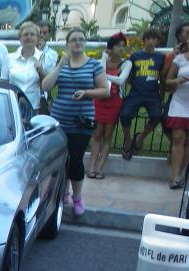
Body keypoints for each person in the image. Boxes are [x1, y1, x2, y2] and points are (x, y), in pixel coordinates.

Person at [42, 28, 109, 216]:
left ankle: (77, 197)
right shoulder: (62, 63)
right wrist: (60, 65)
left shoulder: (93, 65)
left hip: (81, 121)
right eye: (73, 40)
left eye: (81, 39)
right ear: (67, 44)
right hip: (59, 120)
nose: (77, 43)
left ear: (85, 42)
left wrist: (86, 93)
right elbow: (45, 86)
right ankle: (63, 192)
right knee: (61, 159)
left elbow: (105, 90)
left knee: (76, 159)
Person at [88, 33, 132, 179]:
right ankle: (91, 168)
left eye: (122, 46)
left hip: (114, 103)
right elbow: (97, 76)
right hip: (99, 101)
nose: (121, 49)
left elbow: (120, 80)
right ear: (110, 48)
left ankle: (100, 168)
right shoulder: (101, 61)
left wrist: (104, 75)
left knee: (107, 135)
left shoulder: (126, 63)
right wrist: (103, 59)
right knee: (97, 135)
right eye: (117, 46)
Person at [120, 28, 165, 159]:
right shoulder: (135, 56)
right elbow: (127, 74)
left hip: (152, 94)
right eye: (148, 38)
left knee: (157, 115)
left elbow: (162, 78)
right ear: (144, 40)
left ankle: (140, 138)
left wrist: (161, 96)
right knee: (125, 115)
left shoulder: (161, 57)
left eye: (154, 39)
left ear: (157, 41)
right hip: (136, 92)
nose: (151, 41)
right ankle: (128, 141)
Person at [164, 42, 189, 188]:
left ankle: (182, 174)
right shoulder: (179, 59)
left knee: (188, 141)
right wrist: (177, 81)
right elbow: (167, 81)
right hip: (179, 103)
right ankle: (175, 177)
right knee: (178, 138)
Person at [8, 22, 45, 110]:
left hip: (35, 107)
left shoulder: (45, 57)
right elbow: (4, 82)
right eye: (25, 34)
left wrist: (41, 71)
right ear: (20, 38)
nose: (29, 37)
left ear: (37, 38)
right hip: (13, 106)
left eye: (32, 34)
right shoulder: (9, 58)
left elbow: (49, 86)